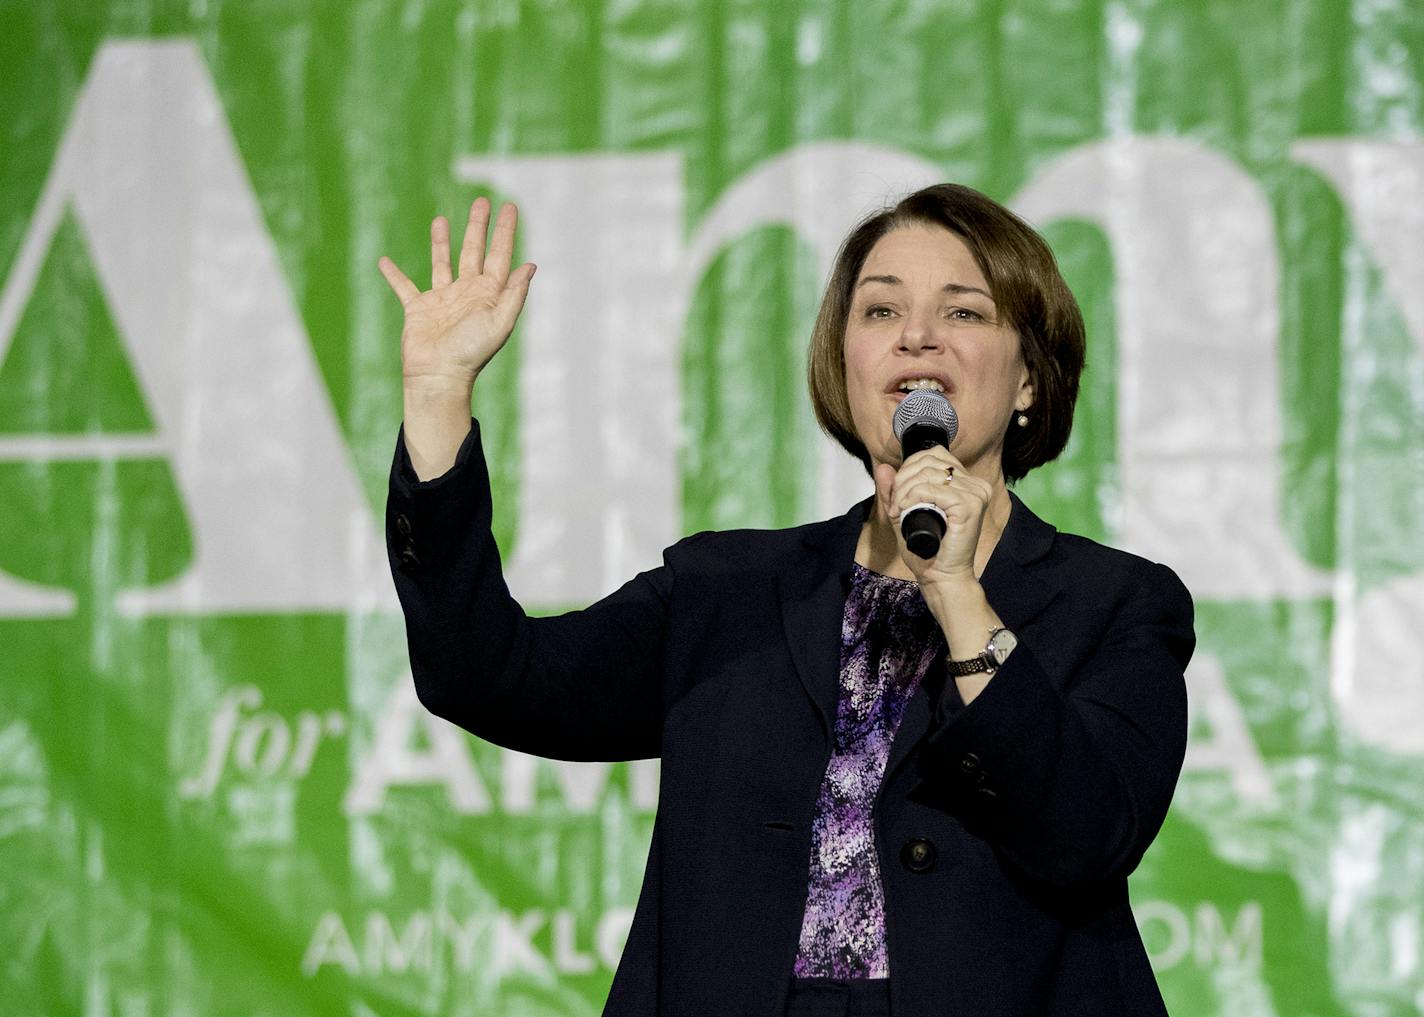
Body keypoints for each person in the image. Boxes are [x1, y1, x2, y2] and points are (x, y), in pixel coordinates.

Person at [378, 183, 1194, 1017]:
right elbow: (483, 675)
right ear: (845, 364)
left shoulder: (1119, 605)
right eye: (880, 312)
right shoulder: (723, 591)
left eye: (964, 313)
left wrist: (954, 586)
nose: (915, 335)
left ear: (1029, 379)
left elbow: (1087, 834)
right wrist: (438, 397)